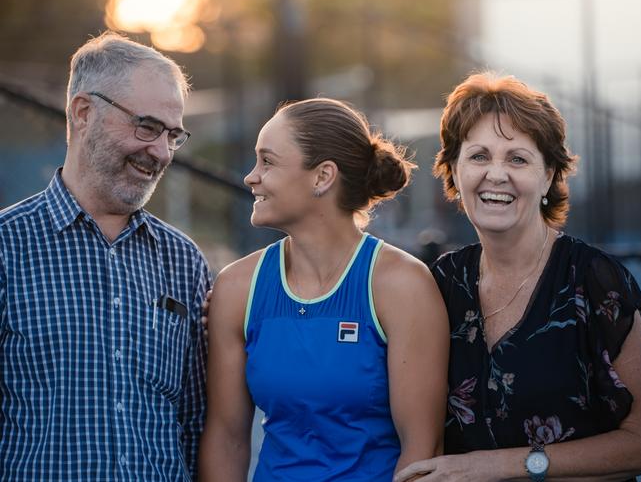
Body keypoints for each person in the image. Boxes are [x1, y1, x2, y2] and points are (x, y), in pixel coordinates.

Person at [394, 72, 641, 481]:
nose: (497, 174)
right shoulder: (439, 284)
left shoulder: (595, 280)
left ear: (549, 175)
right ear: (454, 173)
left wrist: (501, 466)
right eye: (479, 156)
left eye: (517, 158)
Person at [198, 98, 449, 481]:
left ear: (322, 177)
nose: (251, 176)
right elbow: (227, 438)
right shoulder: (236, 287)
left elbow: (422, 451)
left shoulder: (403, 285)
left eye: (268, 161)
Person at [0, 33, 210, 481]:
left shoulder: (183, 260)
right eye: (147, 127)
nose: (161, 152)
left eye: (173, 135)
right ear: (83, 112)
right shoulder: (6, 247)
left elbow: (196, 422)